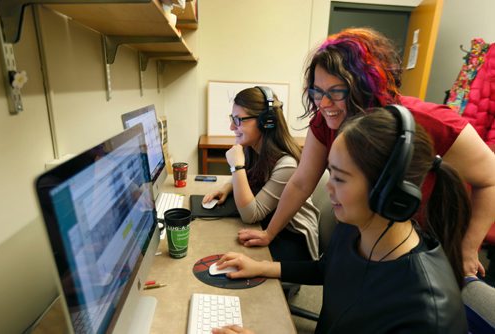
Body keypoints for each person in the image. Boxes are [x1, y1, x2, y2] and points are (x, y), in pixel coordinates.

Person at [237, 27, 495, 277]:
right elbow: (302, 181)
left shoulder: (428, 121)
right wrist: (269, 233)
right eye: (317, 92)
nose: (324, 104)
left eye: (337, 93)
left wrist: (469, 249)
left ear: (367, 87)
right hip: (365, 239)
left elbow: (490, 178)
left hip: (418, 248)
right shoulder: (325, 120)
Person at [213, 108, 469, 334]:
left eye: (340, 178)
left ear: (387, 189)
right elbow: (327, 269)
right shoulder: (354, 228)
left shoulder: (426, 312)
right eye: (330, 173)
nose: (329, 188)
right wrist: (261, 267)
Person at [203, 86, 319, 261]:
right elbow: (251, 177)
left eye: (238, 119)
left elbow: (251, 215)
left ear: (266, 122)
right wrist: (228, 187)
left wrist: (237, 167)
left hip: (291, 238)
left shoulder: (286, 164)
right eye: (232, 118)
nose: (231, 126)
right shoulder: (254, 148)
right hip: (266, 225)